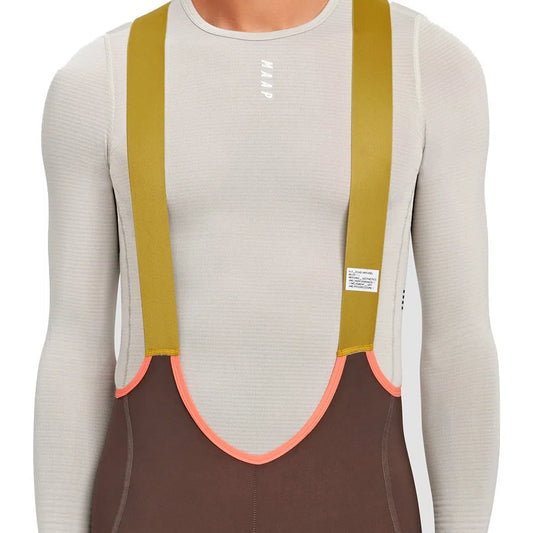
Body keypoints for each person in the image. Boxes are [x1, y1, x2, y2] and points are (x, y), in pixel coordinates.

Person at [34, 0, 499, 531]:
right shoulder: (98, 80)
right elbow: (75, 344)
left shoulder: (426, 64)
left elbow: (458, 340)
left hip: (359, 503)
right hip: (153, 502)